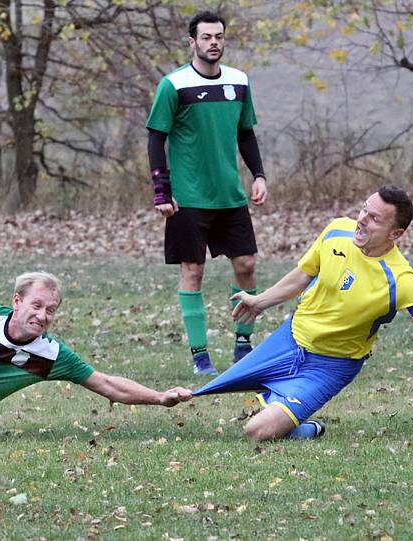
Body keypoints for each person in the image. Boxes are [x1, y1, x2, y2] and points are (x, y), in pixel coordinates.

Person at [193, 186, 413, 441]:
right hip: (288, 340)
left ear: (395, 234)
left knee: (257, 431)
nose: (362, 220)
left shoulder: (401, 280)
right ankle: (279, 406)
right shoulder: (336, 231)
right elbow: (302, 275)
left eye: (375, 219)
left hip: (329, 367)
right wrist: (260, 301)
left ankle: (309, 428)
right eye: (364, 210)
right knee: (197, 392)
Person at [0, 272, 192, 439]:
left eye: (50, 310)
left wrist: (160, 397)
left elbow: (108, 385)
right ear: (17, 301)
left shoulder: (50, 356)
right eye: (36, 306)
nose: (42, 315)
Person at [145, 10, 268, 376]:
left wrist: (258, 175)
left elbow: (246, 133)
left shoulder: (239, 81)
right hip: (189, 198)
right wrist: (161, 190)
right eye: (206, 37)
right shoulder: (174, 84)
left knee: (246, 265)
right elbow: (156, 137)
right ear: (192, 42)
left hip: (230, 196)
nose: (213, 43)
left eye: (219, 36)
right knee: (192, 271)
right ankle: (201, 358)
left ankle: (243, 346)